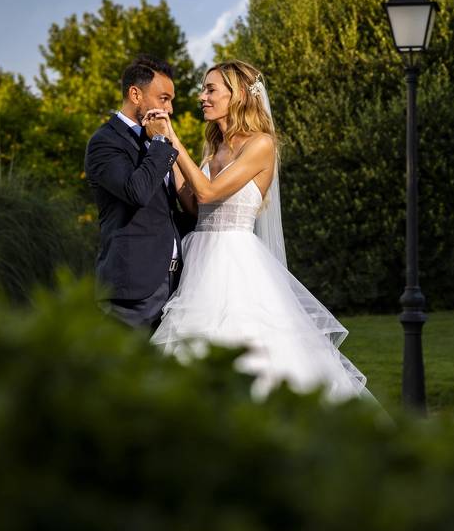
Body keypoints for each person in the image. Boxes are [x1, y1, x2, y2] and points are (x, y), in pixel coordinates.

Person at [149, 60, 372, 403]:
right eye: (204, 89)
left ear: (236, 95)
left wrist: (172, 141)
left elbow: (209, 193)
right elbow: (195, 205)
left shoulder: (261, 145)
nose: (202, 97)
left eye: (210, 89)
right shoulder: (215, 147)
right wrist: (166, 151)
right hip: (201, 259)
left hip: (236, 264)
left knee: (251, 351)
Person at [84, 55, 195, 333]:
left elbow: (169, 210)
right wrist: (160, 141)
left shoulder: (158, 141)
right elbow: (137, 192)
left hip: (177, 284)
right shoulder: (105, 142)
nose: (169, 109)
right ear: (136, 94)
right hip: (132, 292)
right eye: (164, 98)